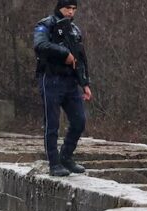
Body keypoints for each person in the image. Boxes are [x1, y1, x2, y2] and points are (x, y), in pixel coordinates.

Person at [33, 1, 92, 177]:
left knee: (79, 121)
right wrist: (63, 53)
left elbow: (81, 58)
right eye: (68, 8)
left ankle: (66, 156)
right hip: (51, 78)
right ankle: (54, 163)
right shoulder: (45, 25)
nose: (70, 12)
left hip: (71, 82)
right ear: (60, 8)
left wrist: (85, 84)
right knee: (52, 124)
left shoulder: (74, 30)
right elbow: (40, 46)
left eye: (74, 9)